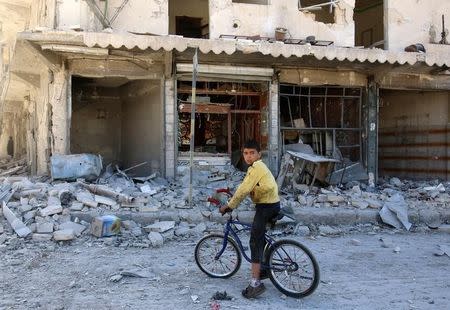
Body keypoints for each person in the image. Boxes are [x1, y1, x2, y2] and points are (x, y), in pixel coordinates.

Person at [220, 140, 280, 299]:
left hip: (266, 207)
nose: (248, 156)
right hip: (270, 204)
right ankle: (264, 268)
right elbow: (247, 186)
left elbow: (244, 189)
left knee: (254, 241)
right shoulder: (255, 168)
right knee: (261, 238)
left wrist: (229, 206)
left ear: (259, 154)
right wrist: (235, 196)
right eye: (245, 153)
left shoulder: (257, 167)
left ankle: (255, 284)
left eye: (252, 153)